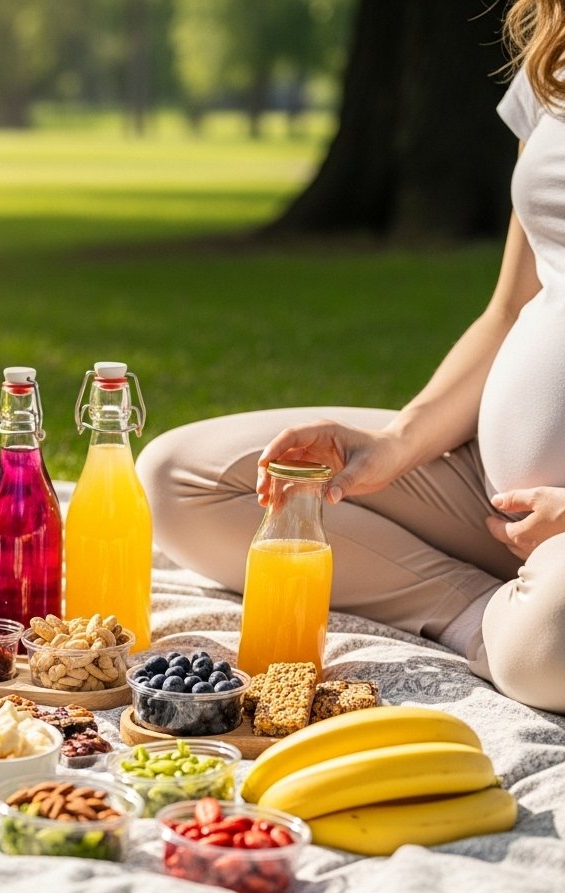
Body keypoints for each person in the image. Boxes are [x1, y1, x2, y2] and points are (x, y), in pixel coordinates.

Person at [135, 0, 565, 715]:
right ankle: (477, 611)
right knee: (181, 481)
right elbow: (510, 310)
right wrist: (395, 441)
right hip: (492, 500)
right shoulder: (553, 60)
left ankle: (527, 617)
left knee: (547, 652)